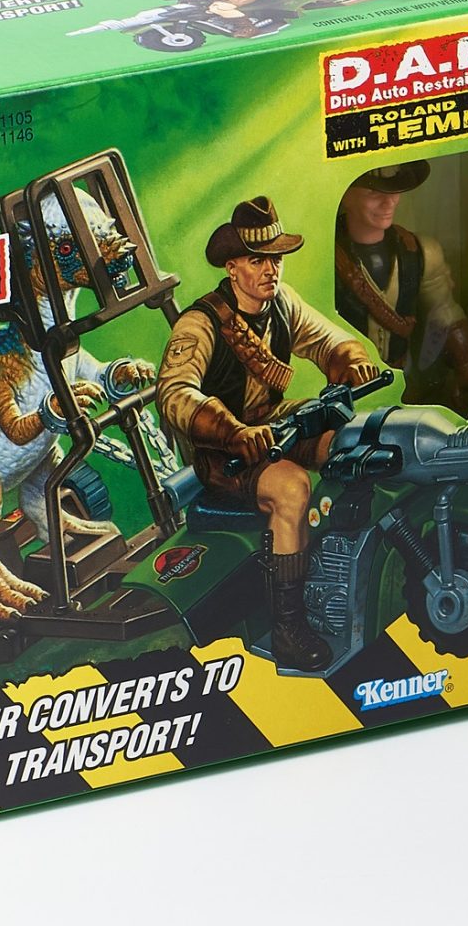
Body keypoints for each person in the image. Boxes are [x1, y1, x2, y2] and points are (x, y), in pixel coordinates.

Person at [157, 196, 377, 671]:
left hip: (275, 425)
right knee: (291, 488)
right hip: (225, 453)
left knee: (353, 441)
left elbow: (327, 340)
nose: (270, 269)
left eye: (275, 259)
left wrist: (350, 360)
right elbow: (174, 394)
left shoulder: (281, 303)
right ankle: (288, 629)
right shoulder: (200, 325)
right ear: (232, 267)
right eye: (258, 260)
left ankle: (346, 569)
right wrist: (232, 430)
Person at [334, 161, 468, 416]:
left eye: (393, 191)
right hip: (345, 395)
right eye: (373, 193)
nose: (389, 202)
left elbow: (444, 311)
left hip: (405, 389)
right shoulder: (327, 259)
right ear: (346, 196)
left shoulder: (420, 252)